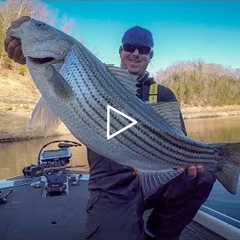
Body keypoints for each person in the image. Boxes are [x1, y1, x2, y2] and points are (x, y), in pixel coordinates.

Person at [5, 17, 216, 240]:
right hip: (111, 184)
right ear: (120, 51)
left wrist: (192, 160)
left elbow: (178, 140)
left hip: (155, 172)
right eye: (129, 47)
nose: (135, 53)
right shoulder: (96, 74)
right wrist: (22, 47)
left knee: (203, 176)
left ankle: (157, 232)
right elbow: (62, 100)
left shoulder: (163, 95)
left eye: (143, 49)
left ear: (150, 56)